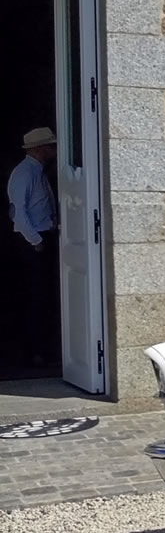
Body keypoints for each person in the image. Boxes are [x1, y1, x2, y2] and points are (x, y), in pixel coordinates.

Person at [8, 127, 59, 369]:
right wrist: (36, 242)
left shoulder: (37, 172)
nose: (54, 150)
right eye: (51, 146)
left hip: (42, 236)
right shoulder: (24, 173)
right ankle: (32, 353)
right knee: (34, 297)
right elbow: (18, 213)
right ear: (40, 149)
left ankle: (42, 349)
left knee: (44, 296)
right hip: (31, 241)